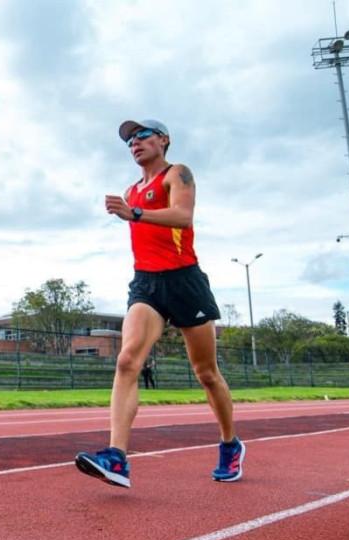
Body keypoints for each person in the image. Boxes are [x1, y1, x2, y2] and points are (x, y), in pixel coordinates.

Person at [75, 119, 244, 488]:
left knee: (206, 373)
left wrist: (134, 213)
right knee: (126, 360)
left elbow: (183, 217)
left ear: (164, 139)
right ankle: (117, 457)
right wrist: (130, 209)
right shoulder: (131, 191)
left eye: (142, 135)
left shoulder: (177, 173)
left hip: (184, 281)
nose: (134, 143)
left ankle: (230, 444)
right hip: (146, 284)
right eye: (129, 140)